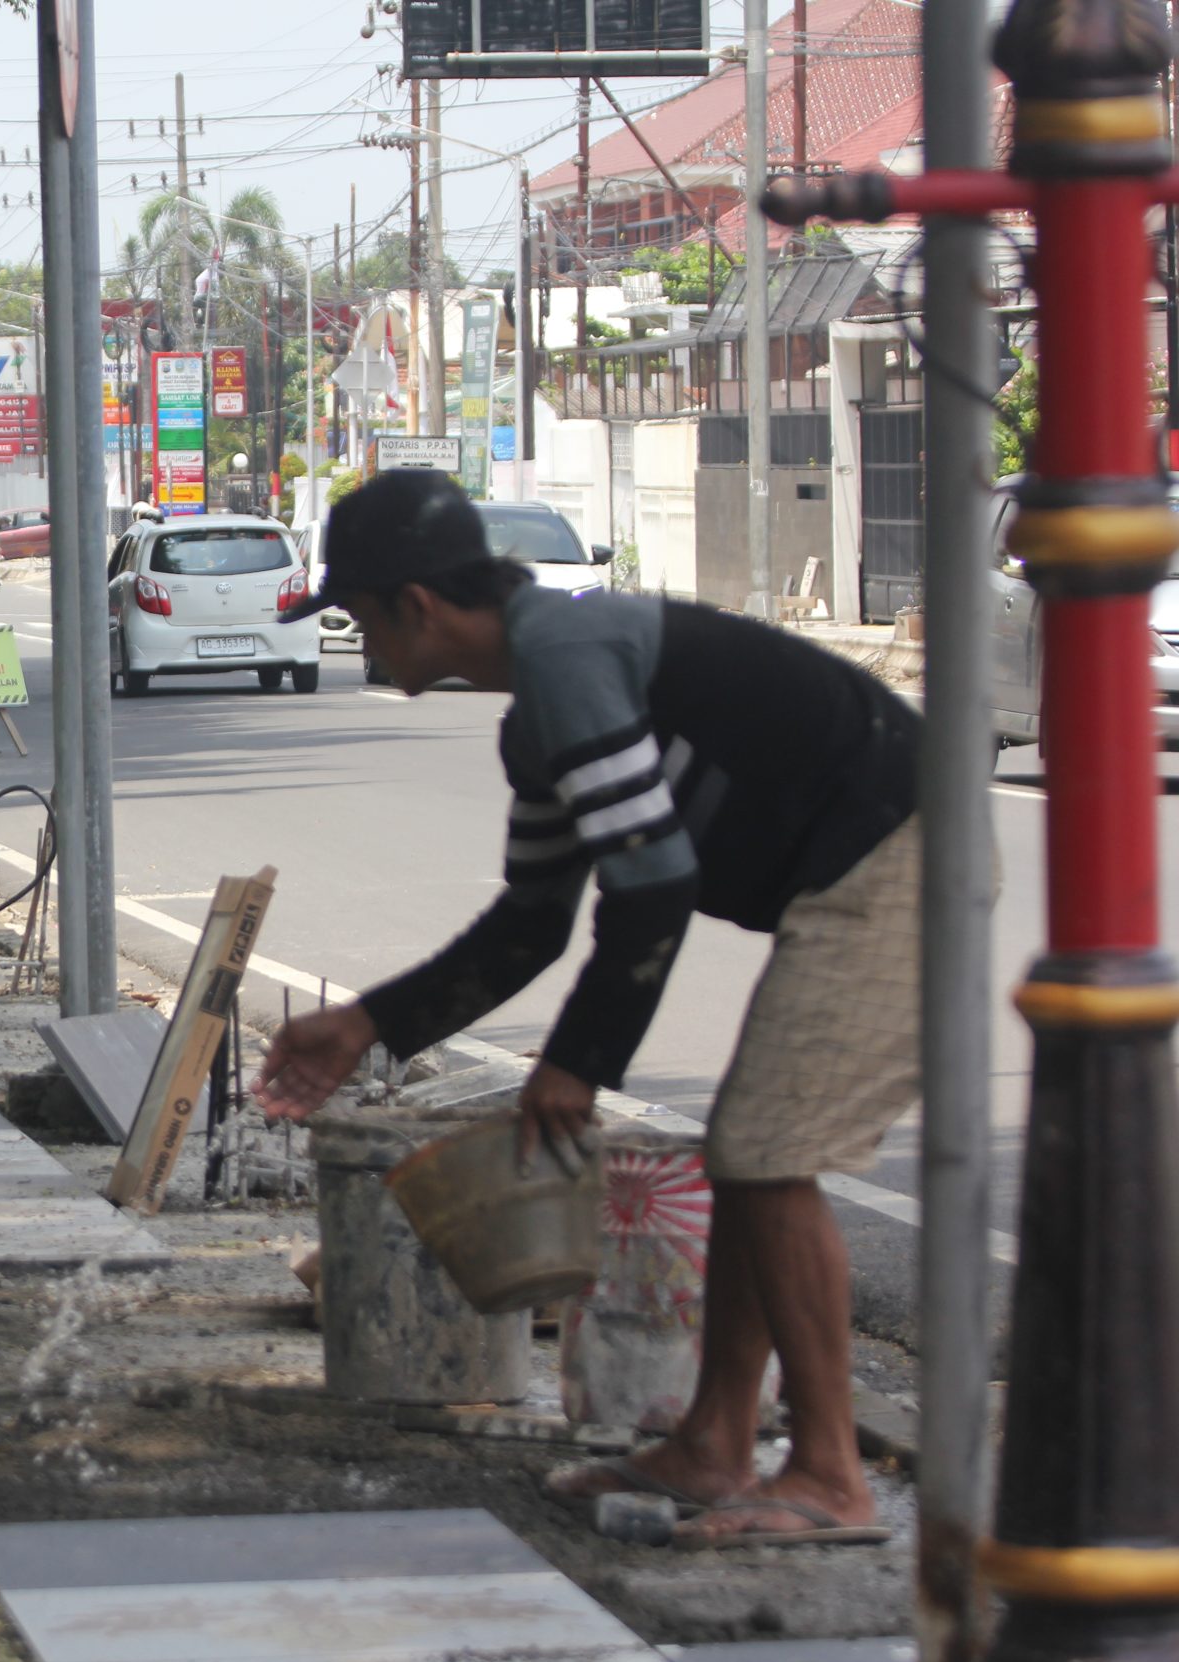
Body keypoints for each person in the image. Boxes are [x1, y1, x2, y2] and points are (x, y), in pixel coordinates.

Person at [253, 470, 921, 1550]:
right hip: (840, 875)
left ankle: (831, 1476)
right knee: (752, 1153)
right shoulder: (539, 712)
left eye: (361, 617)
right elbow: (531, 924)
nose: (363, 644)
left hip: (895, 855)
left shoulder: (567, 658)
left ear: (416, 606)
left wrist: (576, 1063)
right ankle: (715, 1439)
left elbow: (650, 884)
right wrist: (364, 1024)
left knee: (766, 1151)